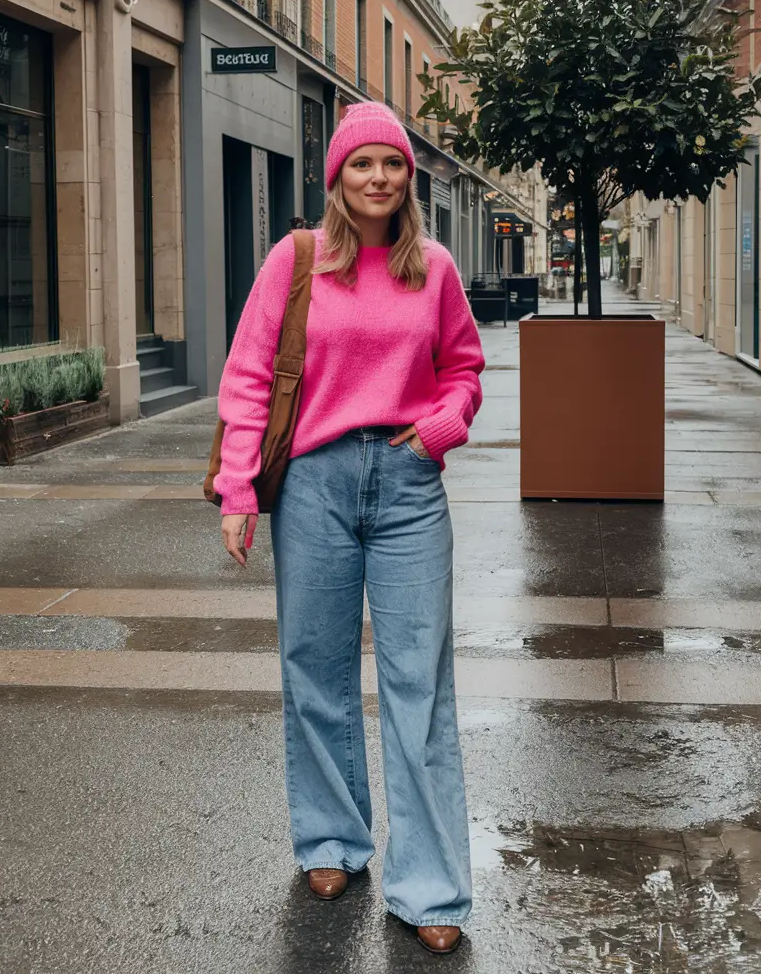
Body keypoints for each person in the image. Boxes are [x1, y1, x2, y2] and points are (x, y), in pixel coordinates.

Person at [216, 102, 485, 954]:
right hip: (316, 487)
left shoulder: (433, 268)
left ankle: (431, 886)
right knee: (315, 668)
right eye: (362, 164)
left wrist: (439, 428)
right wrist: (236, 491)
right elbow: (250, 375)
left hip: (407, 485)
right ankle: (331, 840)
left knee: (421, 683)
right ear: (335, 176)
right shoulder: (296, 262)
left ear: (410, 178)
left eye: (393, 165)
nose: (378, 178)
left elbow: (465, 370)